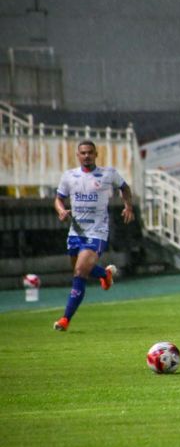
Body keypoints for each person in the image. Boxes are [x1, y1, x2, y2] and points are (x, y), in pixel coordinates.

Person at [53, 140, 134, 331]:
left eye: (90, 152)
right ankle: (104, 274)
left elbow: (125, 187)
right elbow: (58, 199)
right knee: (80, 271)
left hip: (97, 231)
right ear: (78, 155)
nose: (86, 156)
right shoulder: (69, 176)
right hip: (75, 231)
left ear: (96, 154)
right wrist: (61, 211)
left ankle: (65, 319)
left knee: (80, 271)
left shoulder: (108, 174)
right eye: (83, 153)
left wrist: (128, 206)